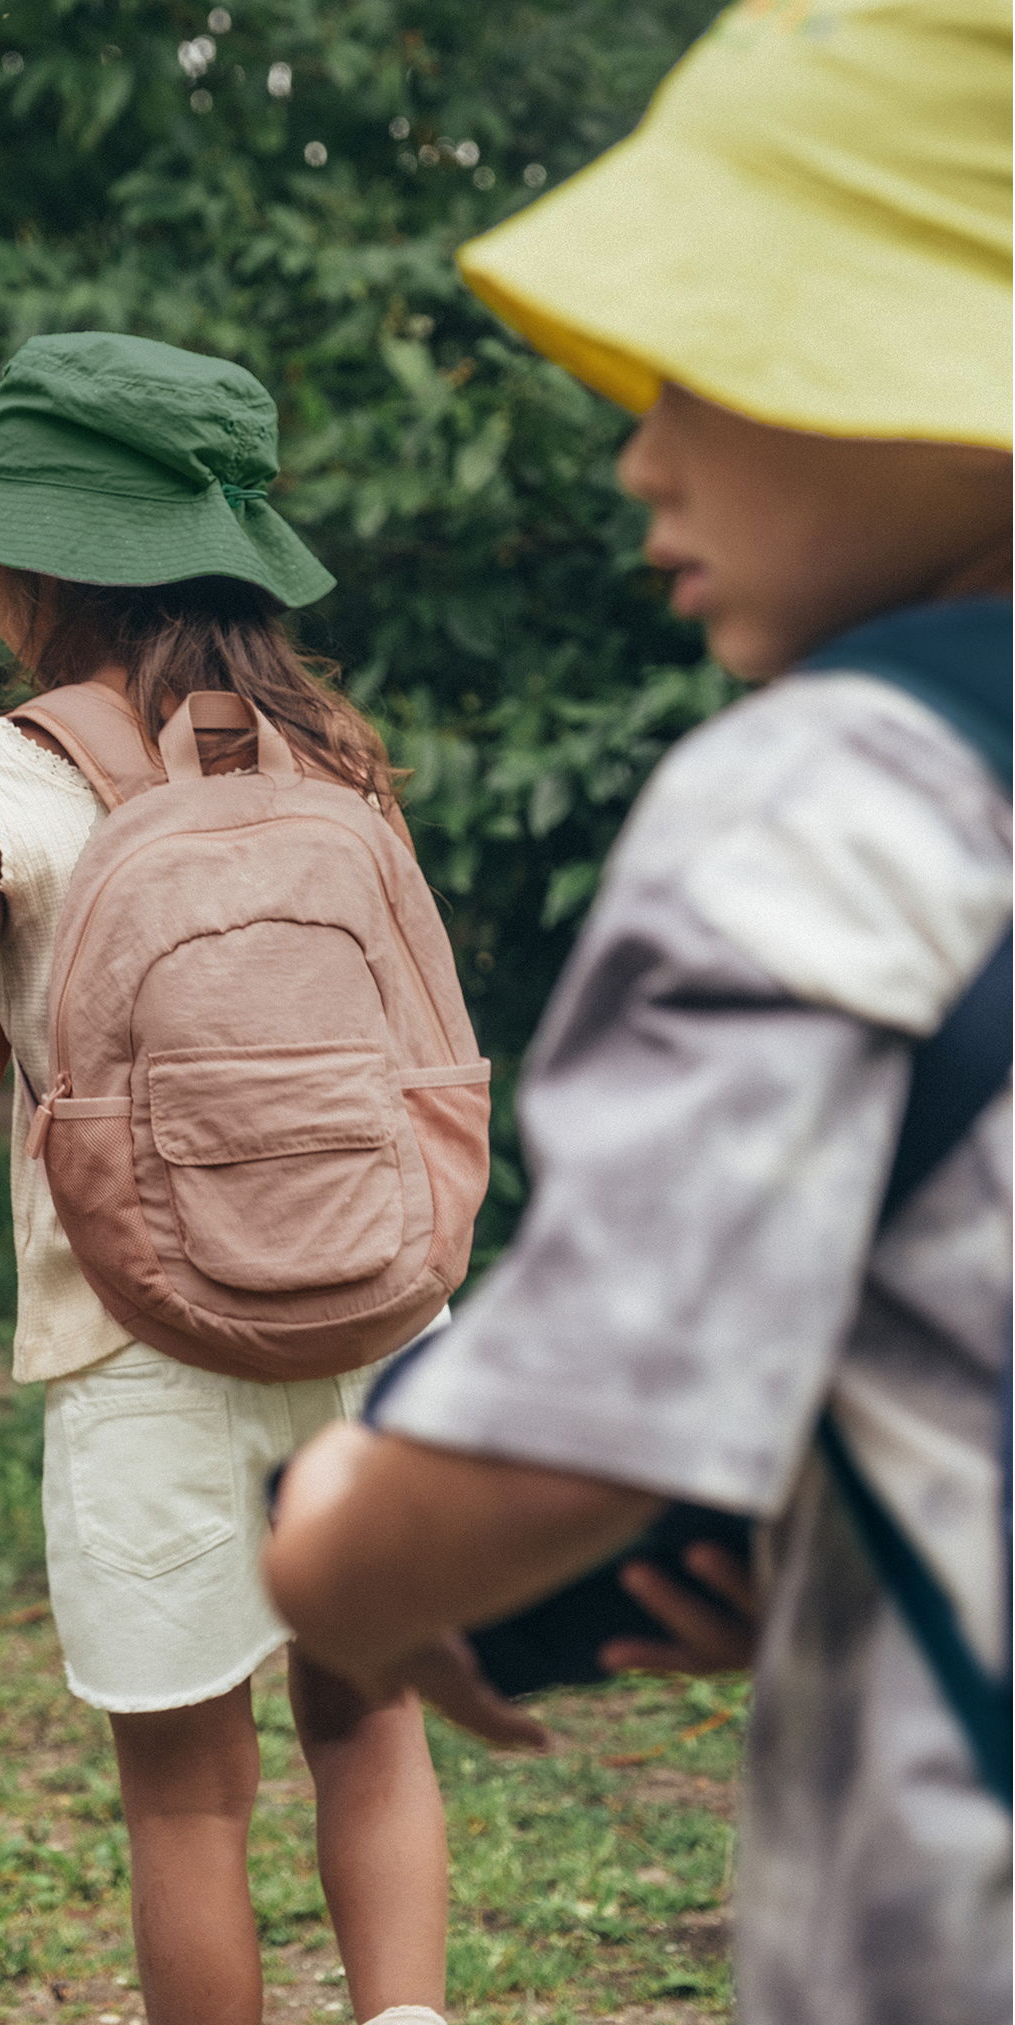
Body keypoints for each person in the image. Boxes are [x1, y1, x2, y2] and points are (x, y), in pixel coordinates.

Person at [264, 4, 1012, 2021]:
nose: (639, 455)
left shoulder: (833, 792)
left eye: (698, 371)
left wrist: (341, 1565)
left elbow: (588, 1423)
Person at [0, 331, 454, 2025]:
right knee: (371, 1717)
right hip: (365, 1306)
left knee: (188, 1792)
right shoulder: (331, 754)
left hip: (138, 1334)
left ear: (34, 561)